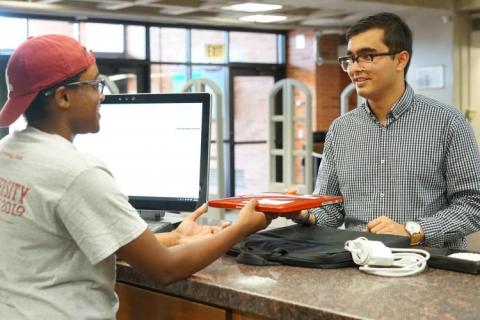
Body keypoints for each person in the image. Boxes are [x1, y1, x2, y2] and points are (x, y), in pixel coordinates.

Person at [0, 34, 271, 319]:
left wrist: (176, 237)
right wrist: (239, 229)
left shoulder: (8, 152)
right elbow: (164, 269)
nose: (102, 95)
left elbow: (71, 245)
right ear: (63, 97)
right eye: (95, 85)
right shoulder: (77, 173)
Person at [290, 12, 480, 249]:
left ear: (400, 60)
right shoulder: (341, 129)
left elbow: (473, 204)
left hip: (431, 265)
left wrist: (412, 230)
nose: (354, 68)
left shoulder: (447, 122)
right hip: (358, 262)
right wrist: (303, 214)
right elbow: (331, 208)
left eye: (367, 56)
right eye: (350, 59)